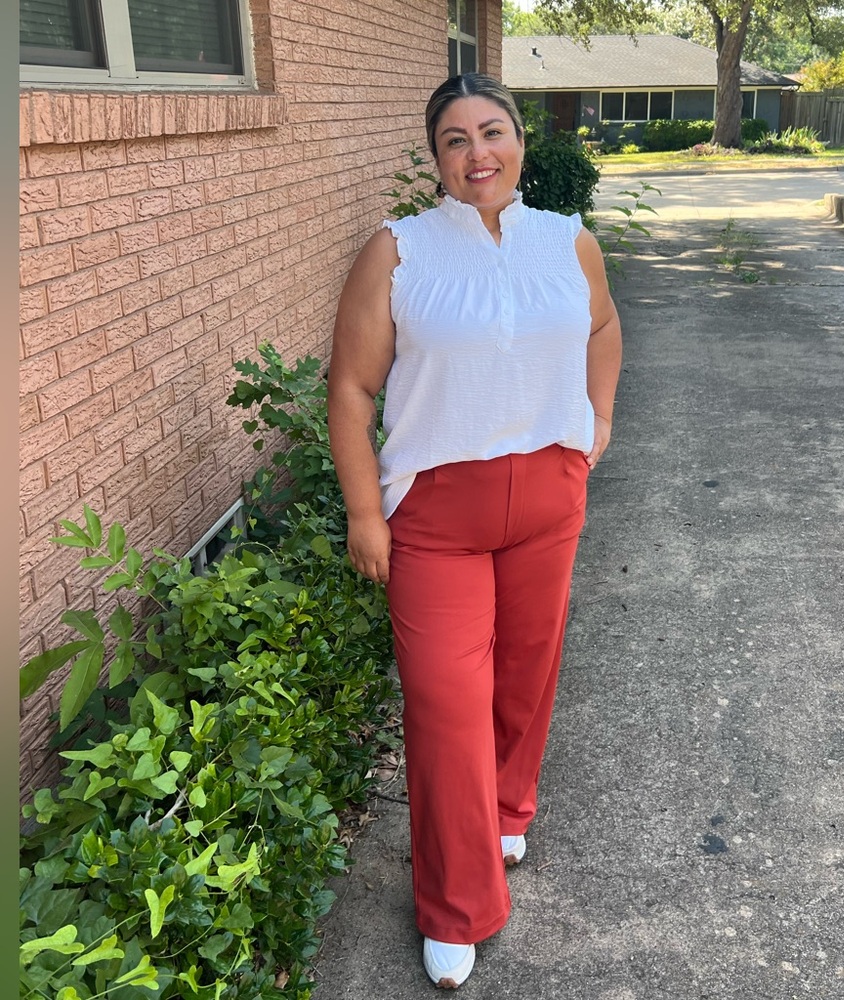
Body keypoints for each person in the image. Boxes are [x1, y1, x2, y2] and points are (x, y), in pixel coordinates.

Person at [326, 71, 622, 989]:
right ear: (435, 159)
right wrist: (366, 512)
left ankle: (507, 809)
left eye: (491, 131)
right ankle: (456, 903)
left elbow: (602, 329)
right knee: (446, 702)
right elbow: (350, 387)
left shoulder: (568, 243)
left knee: (527, 673)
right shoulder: (398, 251)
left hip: (547, 498)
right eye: (455, 140)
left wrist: (597, 422)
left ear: (520, 142)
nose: (477, 153)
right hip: (436, 517)